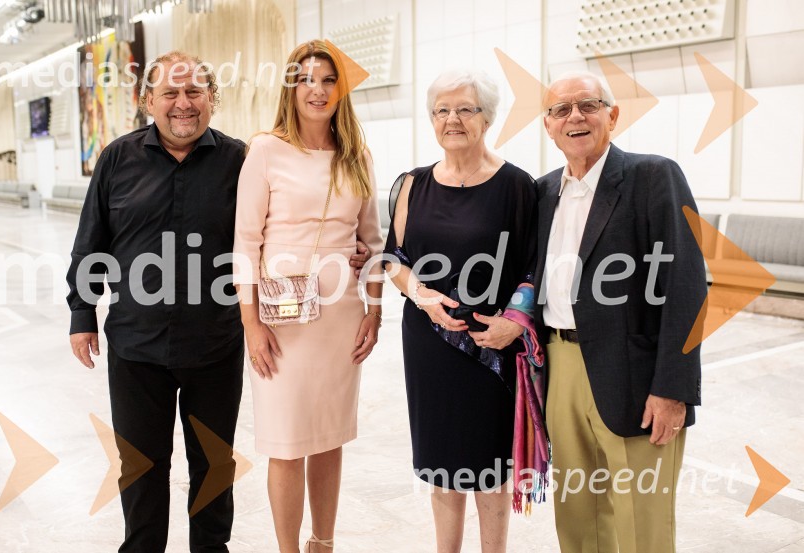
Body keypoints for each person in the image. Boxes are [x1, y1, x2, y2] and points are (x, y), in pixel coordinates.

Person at [66, 49, 372, 553]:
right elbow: (91, 240)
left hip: (215, 341)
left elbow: (272, 227)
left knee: (213, 463)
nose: (183, 103)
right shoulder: (117, 158)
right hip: (136, 342)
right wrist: (82, 313)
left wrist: (347, 250)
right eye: (170, 93)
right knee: (140, 463)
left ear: (213, 98)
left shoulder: (239, 159)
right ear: (148, 101)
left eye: (194, 92)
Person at [534, 71, 706, 553]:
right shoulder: (542, 193)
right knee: (577, 517)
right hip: (560, 367)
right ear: (548, 126)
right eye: (561, 110)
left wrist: (672, 389)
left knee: (640, 526)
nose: (574, 117)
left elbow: (686, 288)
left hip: (635, 376)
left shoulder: (653, 177)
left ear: (612, 115)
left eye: (588, 105)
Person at [232, 40, 384, 553]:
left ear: (341, 90)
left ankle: (323, 542)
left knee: (328, 438)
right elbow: (245, 242)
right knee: (285, 442)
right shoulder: (265, 150)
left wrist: (375, 310)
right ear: (291, 89)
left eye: (328, 80)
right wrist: (251, 324)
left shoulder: (357, 155)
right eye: (306, 80)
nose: (317, 90)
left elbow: (373, 242)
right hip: (280, 319)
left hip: (340, 317)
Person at [384, 70, 539, 553]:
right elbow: (394, 259)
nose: (452, 119)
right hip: (428, 345)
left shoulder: (517, 185)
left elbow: (534, 267)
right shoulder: (412, 184)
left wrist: (512, 323)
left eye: (465, 109)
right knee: (441, 467)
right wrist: (422, 297)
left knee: (490, 471)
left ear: (487, 118)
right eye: (442, 110)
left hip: (491, 349)